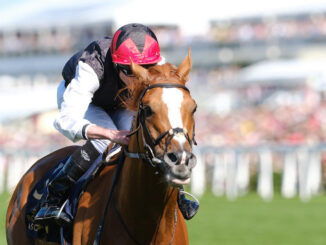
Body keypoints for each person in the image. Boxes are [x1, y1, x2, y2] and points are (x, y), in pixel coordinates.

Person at [34, 23, 199, 226]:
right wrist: (108, 134)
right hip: (87, 102)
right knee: (106, 143)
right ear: (116, 64)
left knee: (144, 136)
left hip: (120, 100)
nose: (141, 76)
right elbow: (65, 121)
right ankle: (54, 196)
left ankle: (177, 194)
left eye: (147, 69)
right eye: (131, 71)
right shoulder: (91, 66)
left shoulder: (157, 63)